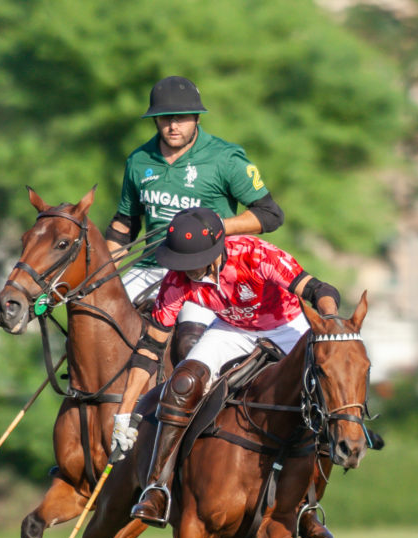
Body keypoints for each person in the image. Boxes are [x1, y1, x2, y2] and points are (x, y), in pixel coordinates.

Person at [109, 206, 338, 538]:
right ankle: (157, 487)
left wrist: (330, 324)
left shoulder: (256, 254)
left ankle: (307, 505)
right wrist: (125, 413)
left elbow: (320, 290)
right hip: (231, 329)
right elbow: (149, 349)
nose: (186, 270)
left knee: (317, 396)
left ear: (217, 250)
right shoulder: (176, 280)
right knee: (184, 381)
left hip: (286, 326)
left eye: (194, 261)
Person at [104, 75, 287, 357]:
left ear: (197, 118)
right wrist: (104, 272)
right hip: (150, 265)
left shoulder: (225, 159)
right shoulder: (139, 160)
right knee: (96, 322)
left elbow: (270, 214)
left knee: (189, 344)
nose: (173, 126)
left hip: (203, 271)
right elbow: (125, 223)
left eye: (181, 118)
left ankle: (190, 401)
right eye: (165, 118)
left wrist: (213, 227)